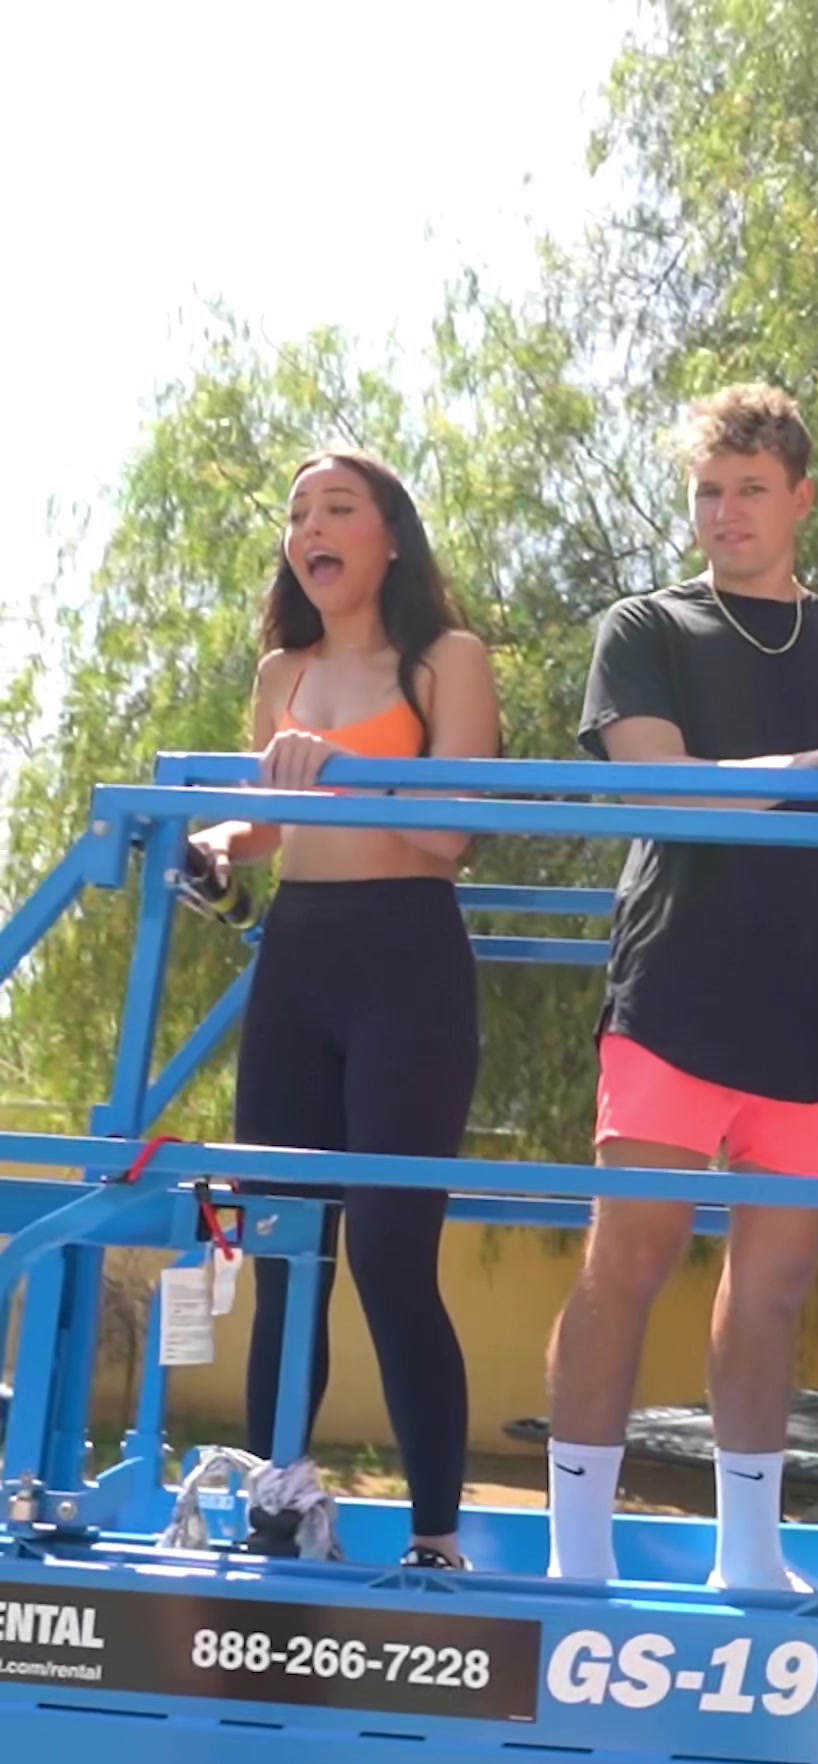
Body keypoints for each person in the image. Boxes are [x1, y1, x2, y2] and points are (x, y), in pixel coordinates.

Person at [545, 384, 818, 1591]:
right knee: (628, 1261)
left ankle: (750, 1561)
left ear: (801, 498)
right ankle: (575, 1563)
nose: (725, 510)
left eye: (751, 488)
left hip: (814, 1013)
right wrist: (813, 767)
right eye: (709, 490)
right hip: (676, 995)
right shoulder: (644, 626)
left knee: (774, 1293)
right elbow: (658, 788)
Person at [189, 450, 500, 1571]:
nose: (310, 528)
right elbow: (267, 822)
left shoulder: (448, 659)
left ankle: (436, 1539)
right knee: (285, 1253)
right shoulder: (282, 671)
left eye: (337, 508)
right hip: (299, 958)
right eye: (297, 514)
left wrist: (341, 774)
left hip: (408, 962)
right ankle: (280, 1506)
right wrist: (220, 845)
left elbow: (454, 831)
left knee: (391, 1255)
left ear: (391, 537)